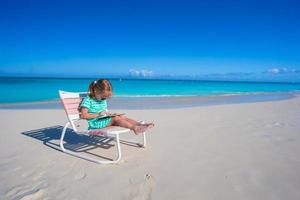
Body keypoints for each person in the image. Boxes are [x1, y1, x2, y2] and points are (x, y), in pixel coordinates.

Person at [80, 79, 154, 134]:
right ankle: (134, 128)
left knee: (121, 117)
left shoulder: (102, 100)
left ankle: (140, 125)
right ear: (96, 91)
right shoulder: (88, 100)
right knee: (115, 118)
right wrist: (98, 114)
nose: (104, 99)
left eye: (106, 98)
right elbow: (84, 115)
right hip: (96, 123)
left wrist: (109, 114)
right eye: (103, 97)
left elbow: (104, 112)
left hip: (102, 120)